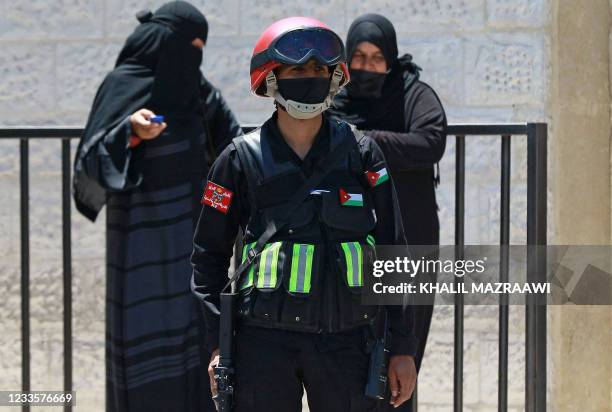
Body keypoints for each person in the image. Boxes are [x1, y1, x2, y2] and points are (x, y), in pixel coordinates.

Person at [191, 16, 418, 412]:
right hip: (261, 347)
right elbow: (207, 257)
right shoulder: (238, 160)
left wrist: (402, 347)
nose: (310, 76)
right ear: (271, 77)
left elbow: (392, 251)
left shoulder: (362, 155)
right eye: (297, 68)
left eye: (319, 68)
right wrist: (215, 345)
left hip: (348, 343)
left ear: (335, 77)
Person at [72, 2, 241, 411]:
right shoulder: (121, 86)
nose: (193, 57)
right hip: (140, 250)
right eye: (188, 46)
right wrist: (129, 132)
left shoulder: (199, 92)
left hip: (195, 246)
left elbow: (233, 150)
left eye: (200, 48)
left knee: (198, 344)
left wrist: (225, 205)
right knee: (143, 347)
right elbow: (88, 163)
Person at [328, 13, 447, 411]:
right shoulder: (336, 98)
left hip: (409, 243)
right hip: (350, 246)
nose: (366, 66)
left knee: (403, 352)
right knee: (352, 354)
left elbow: (429, 141)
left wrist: (365, 142)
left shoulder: (412, 93)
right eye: (358, 56)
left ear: (391, 60)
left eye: (377, 58)